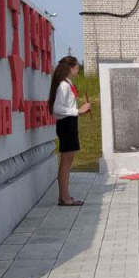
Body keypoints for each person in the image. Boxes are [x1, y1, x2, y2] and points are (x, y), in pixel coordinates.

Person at [48, 55, 91, 206]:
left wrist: (78, 111)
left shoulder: (67, 83)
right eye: (77, 68)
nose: (78, 70)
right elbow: (56, 109)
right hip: (66, 124)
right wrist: (78, 110)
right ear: (70, 68)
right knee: (66, 161)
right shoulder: (63, 86)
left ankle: (65, 196)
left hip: (70, 123)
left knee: (68, 160)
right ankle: (64, 197)